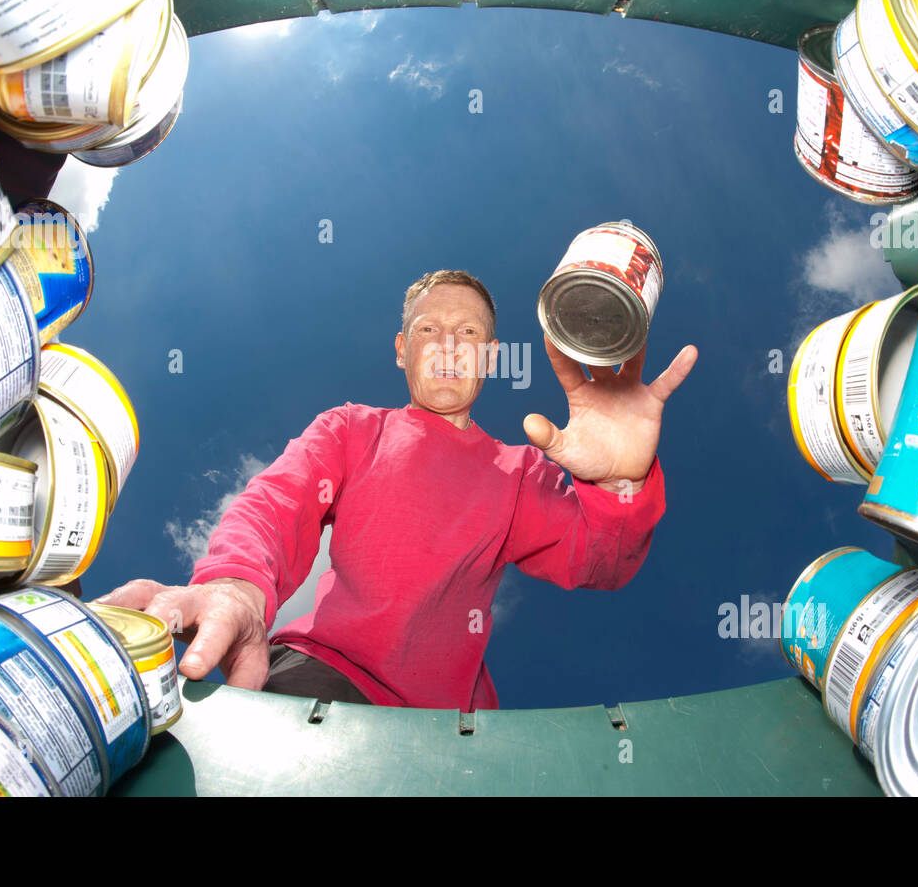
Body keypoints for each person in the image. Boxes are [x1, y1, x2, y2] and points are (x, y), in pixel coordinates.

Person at [98, 269, 698, 710]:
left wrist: (621, 480)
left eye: (468, 332)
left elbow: (601, 559)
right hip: (319, 678)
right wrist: (235, 586)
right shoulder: (354, 429)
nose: (447, 345)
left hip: (455, 729)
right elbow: (277, 504)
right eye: (428, 329)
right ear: (401, 350)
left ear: (490, 357)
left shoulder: (517, 472)